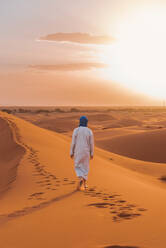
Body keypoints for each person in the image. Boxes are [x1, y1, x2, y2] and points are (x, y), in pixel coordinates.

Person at [70, 116, 94, 190]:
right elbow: (91, 143)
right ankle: (84, 183)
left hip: (78, 151)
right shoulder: (89, 131)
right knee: (85, 167)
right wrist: (92, 153)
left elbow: (73, 142)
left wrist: (71, 152)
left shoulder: (76, 130)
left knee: (78, 166)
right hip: (86, 151)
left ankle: (80, 179)